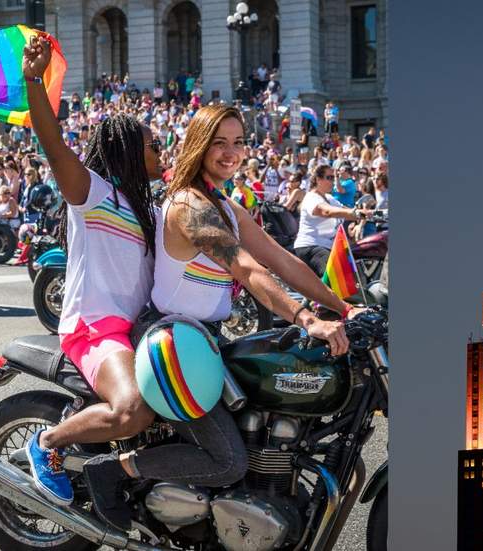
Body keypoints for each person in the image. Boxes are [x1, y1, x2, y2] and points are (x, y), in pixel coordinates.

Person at [92, 105, 359, 528]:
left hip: (205, 338)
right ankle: (113, 471)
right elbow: (248, 269)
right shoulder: (189, 206)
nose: (230, 152)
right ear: (199, 146)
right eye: (219, 142)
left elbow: (281, 260)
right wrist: (306, 318)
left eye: (237, 142)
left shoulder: (227, 206)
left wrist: (346, 307)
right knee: (227, 461)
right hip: (172, 341)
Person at [18, 36, 166, 518]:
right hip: (96, 327)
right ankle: (48, 442)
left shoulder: (153, 210)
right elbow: (54, 145)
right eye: (153, 145)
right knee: (132, 410)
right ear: (127, 150)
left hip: (141, 331)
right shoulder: (93, 194)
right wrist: (34, 82)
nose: (161, 151)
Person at [293, 165, 363, 276]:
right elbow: (327, 212)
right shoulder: (311, 197)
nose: (334, 182)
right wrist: (357, 214)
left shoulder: (329, 198)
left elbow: (346, 211)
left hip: (327, 247)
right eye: (329, 178)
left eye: (335, 178)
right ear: (318, 179)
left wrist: (370, 213)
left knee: (349, 278)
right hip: (311, 246)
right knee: (335, 279)